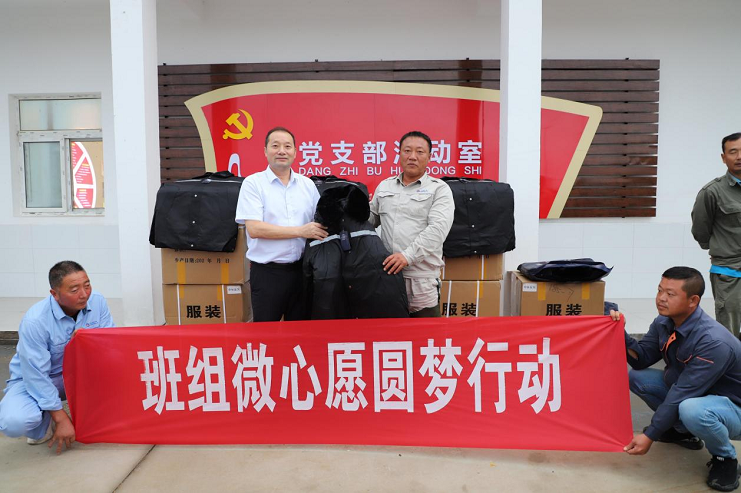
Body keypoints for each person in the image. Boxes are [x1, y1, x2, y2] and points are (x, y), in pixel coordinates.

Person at [612, 266, 741, 491]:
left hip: (732, 407)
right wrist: (619, 331)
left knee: (692, 409)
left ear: (693, 301)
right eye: (660, 290)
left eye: (670, 294)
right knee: (638, 377)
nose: (661, 298)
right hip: (698, 394)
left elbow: (682, 393)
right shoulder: (664, 322)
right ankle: (683, 432)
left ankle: (725, 458)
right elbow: (641, 359)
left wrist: (651, 434)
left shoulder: (712, 341)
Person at [0, 261, 114, 454]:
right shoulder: (36, 321)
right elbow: (35, 375)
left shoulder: (97, 301)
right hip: (40, 378)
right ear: (55, 294)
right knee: (15, 422)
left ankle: (86, 413)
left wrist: (90, 342)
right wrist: (60, 417)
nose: (84, 294)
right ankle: (45, 419)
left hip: (80, 375)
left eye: (87, 285)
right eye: (74, 290)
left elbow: (110, 344)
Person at [235, 126, 327, 322]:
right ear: (265, 151)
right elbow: (255, 229)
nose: (282, 151)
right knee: (266, 334)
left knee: (300, 332)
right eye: (275, 146)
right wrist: (301, 231)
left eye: (287, 146)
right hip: (267, 274)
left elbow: (320, 223)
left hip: (302, 271)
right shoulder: (253, 184)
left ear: (295, 152)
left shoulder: (307, 185)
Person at [369, 131, 454, 317]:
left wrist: (407, 256)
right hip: (387, 277)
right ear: (399, 154)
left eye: (420, 152)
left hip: (421, 281)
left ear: (429, 157)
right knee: (389, 333)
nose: (412, 156)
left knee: (426, 333)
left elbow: (437, 230)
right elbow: (369, 221)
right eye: (407, 151)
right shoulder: (384, 186)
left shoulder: (439, 189)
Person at [691, 132, 741, 339]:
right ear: (723, 157)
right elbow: (700, 230)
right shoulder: (712, 192)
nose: (739, 156)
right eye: (733, 152)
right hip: (730, 274)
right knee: (729, 334)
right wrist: (721, 248)